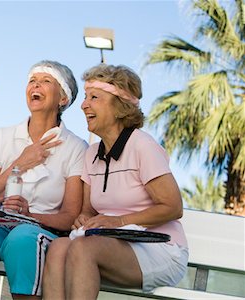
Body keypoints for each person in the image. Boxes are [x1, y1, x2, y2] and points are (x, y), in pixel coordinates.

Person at [42, 64, 189, 299]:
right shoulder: (91, 154)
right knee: (58, 248)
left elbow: (173, 207)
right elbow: (88, 211)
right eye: (86, 97)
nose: (83, 104)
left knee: (82, 249)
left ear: (119, 107)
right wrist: (84, 219)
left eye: (94, 97)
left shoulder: (143, 146)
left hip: (160, 249)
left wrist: (118, 220)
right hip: (110, 244)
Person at [0, 60, 88, 299]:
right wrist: (19, 164)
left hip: (39, 231)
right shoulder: (2, 137)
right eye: (32, 80)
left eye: (46, 81)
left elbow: (70, 217)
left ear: (63, 99)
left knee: (21, 239)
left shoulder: (76, 147)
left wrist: (29, 216)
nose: (36, 85)